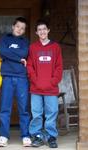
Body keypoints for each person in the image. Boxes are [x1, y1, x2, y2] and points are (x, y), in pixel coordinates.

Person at [27, 19, 63, 148]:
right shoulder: (33, 47)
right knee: (36, 113)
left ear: (48, 30)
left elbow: (59, 67)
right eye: (39, 29)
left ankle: (51, 136)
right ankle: (37, 136)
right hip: (36, 88)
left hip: (51, 88)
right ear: (37, 32)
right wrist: (35, 80)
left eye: (44, 29)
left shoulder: (55, 47)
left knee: (51, 113)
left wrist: (52, 82)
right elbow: (29, 66)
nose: (42, 31)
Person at [0, 17, 31, 147]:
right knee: (5, 108)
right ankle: (4, 135)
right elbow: (3, 52)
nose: (20, 29)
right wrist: (19, 59)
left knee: (24, 108)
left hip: (22, 78)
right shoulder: (5, 39)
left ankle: (25, 135)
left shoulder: (25, 41)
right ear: (13, 26)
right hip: (7, 77)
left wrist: (12, 54)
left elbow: (24, 52)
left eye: (22, 28)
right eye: (18, 27)